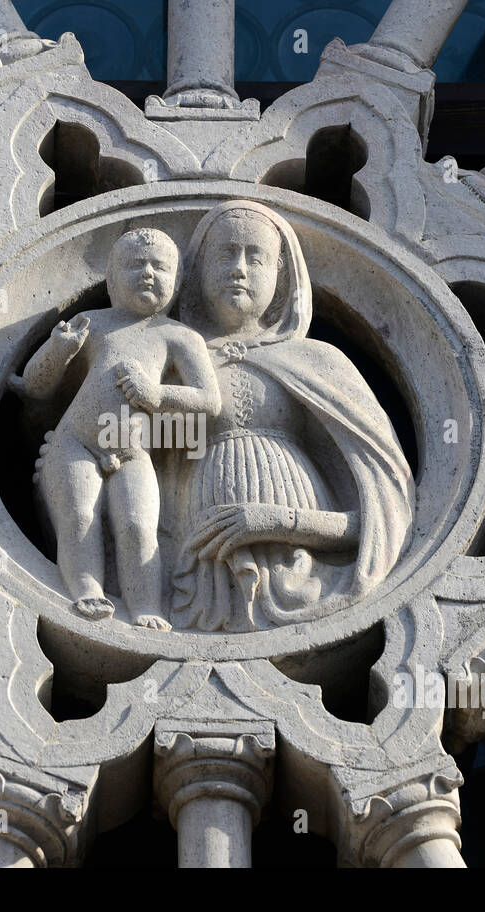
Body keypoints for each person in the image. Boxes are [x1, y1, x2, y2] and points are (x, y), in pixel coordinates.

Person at [164, 200, 416, 632]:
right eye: (225, 254)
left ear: (281, 275)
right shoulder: (171, 364)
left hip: (308, 575)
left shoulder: (316, 361)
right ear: (199, 268)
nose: (239, 268)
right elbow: (128, 480)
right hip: (196, 580)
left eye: (255, 256)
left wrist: (272, 521)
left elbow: (378, 515)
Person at [14, 227, 221, 629]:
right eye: (135, 265)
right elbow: (35, 387)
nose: (148, 273)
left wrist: (156, 394)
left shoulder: (179, 336)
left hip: (133, 449)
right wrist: (60, 350)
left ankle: (146, 606)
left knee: (138, 525)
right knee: (79, 515)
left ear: (176, 282)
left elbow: (208, 401)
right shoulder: (93, 322)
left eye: (160, 267)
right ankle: (87, 589)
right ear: (110, 280)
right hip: (76, 442)